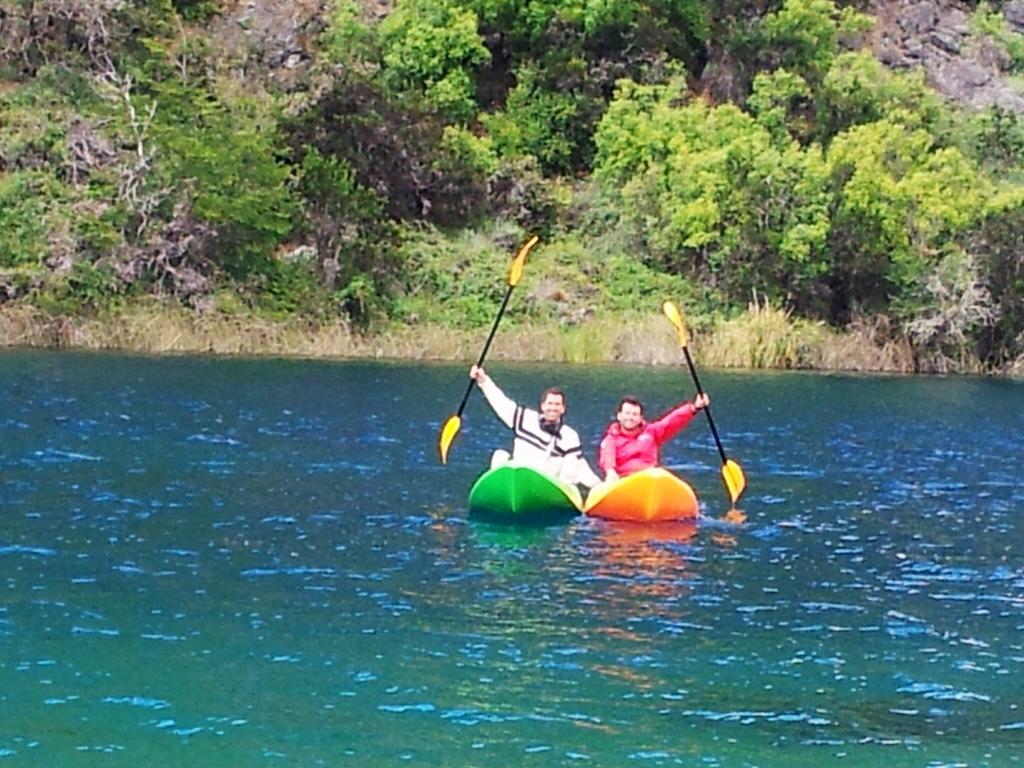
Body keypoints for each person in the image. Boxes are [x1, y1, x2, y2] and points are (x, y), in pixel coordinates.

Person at [469, 365, 601, 489]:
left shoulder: (569, 436)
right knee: (500, 455)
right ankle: (497, 490)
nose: (553, 408)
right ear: (542, 406)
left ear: (563, 409)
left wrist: (598, 486)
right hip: (519, 479)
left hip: (548, 486)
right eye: (550, 404)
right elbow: (501, 403)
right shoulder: (526, 419)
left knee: (571, 461)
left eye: (557, 405)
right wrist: (483, 381)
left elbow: (580, 466)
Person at [598, 393, 710, 481]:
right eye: (627, 413)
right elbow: (607, 456)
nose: (630, 418)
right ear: (619, 416)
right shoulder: (611, 439)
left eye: (634, 414)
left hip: (650, 479)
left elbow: (671, 421)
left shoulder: (651, 432)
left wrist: (694, 408)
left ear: (641, 418)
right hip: (624, 481)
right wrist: (610, 472)